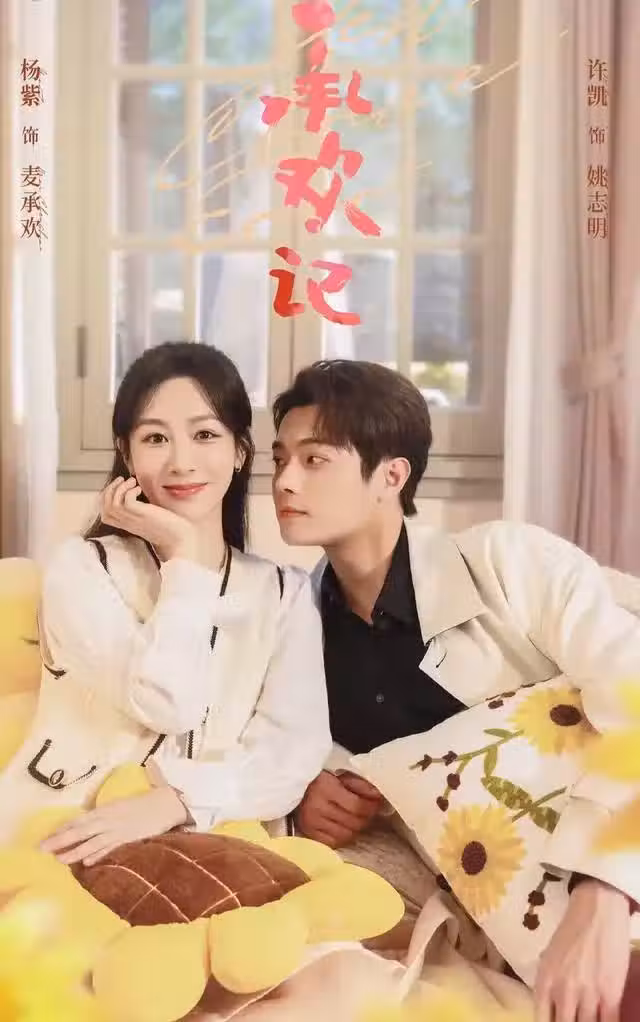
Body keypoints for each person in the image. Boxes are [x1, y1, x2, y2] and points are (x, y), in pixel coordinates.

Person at [271, 359, 640, 1022]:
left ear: (392, 476)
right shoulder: (289, 624)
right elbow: (262, 754)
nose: (284, 481)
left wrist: (604, 896)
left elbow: (633, 702)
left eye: (314, 459)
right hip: (477, 915)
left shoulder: (510, 563)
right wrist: (304, 791)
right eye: (279, 459)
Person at [0, 342, 331, 862]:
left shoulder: (285, 594)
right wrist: (184, 559)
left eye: (205, 435)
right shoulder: (83, 569)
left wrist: (176, 801)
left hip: (217, 846)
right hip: (64, 832)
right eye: (155, 438)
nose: (181, 462)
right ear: (126, 453)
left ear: (240, 451)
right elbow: (167, 702)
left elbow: (289, 757)